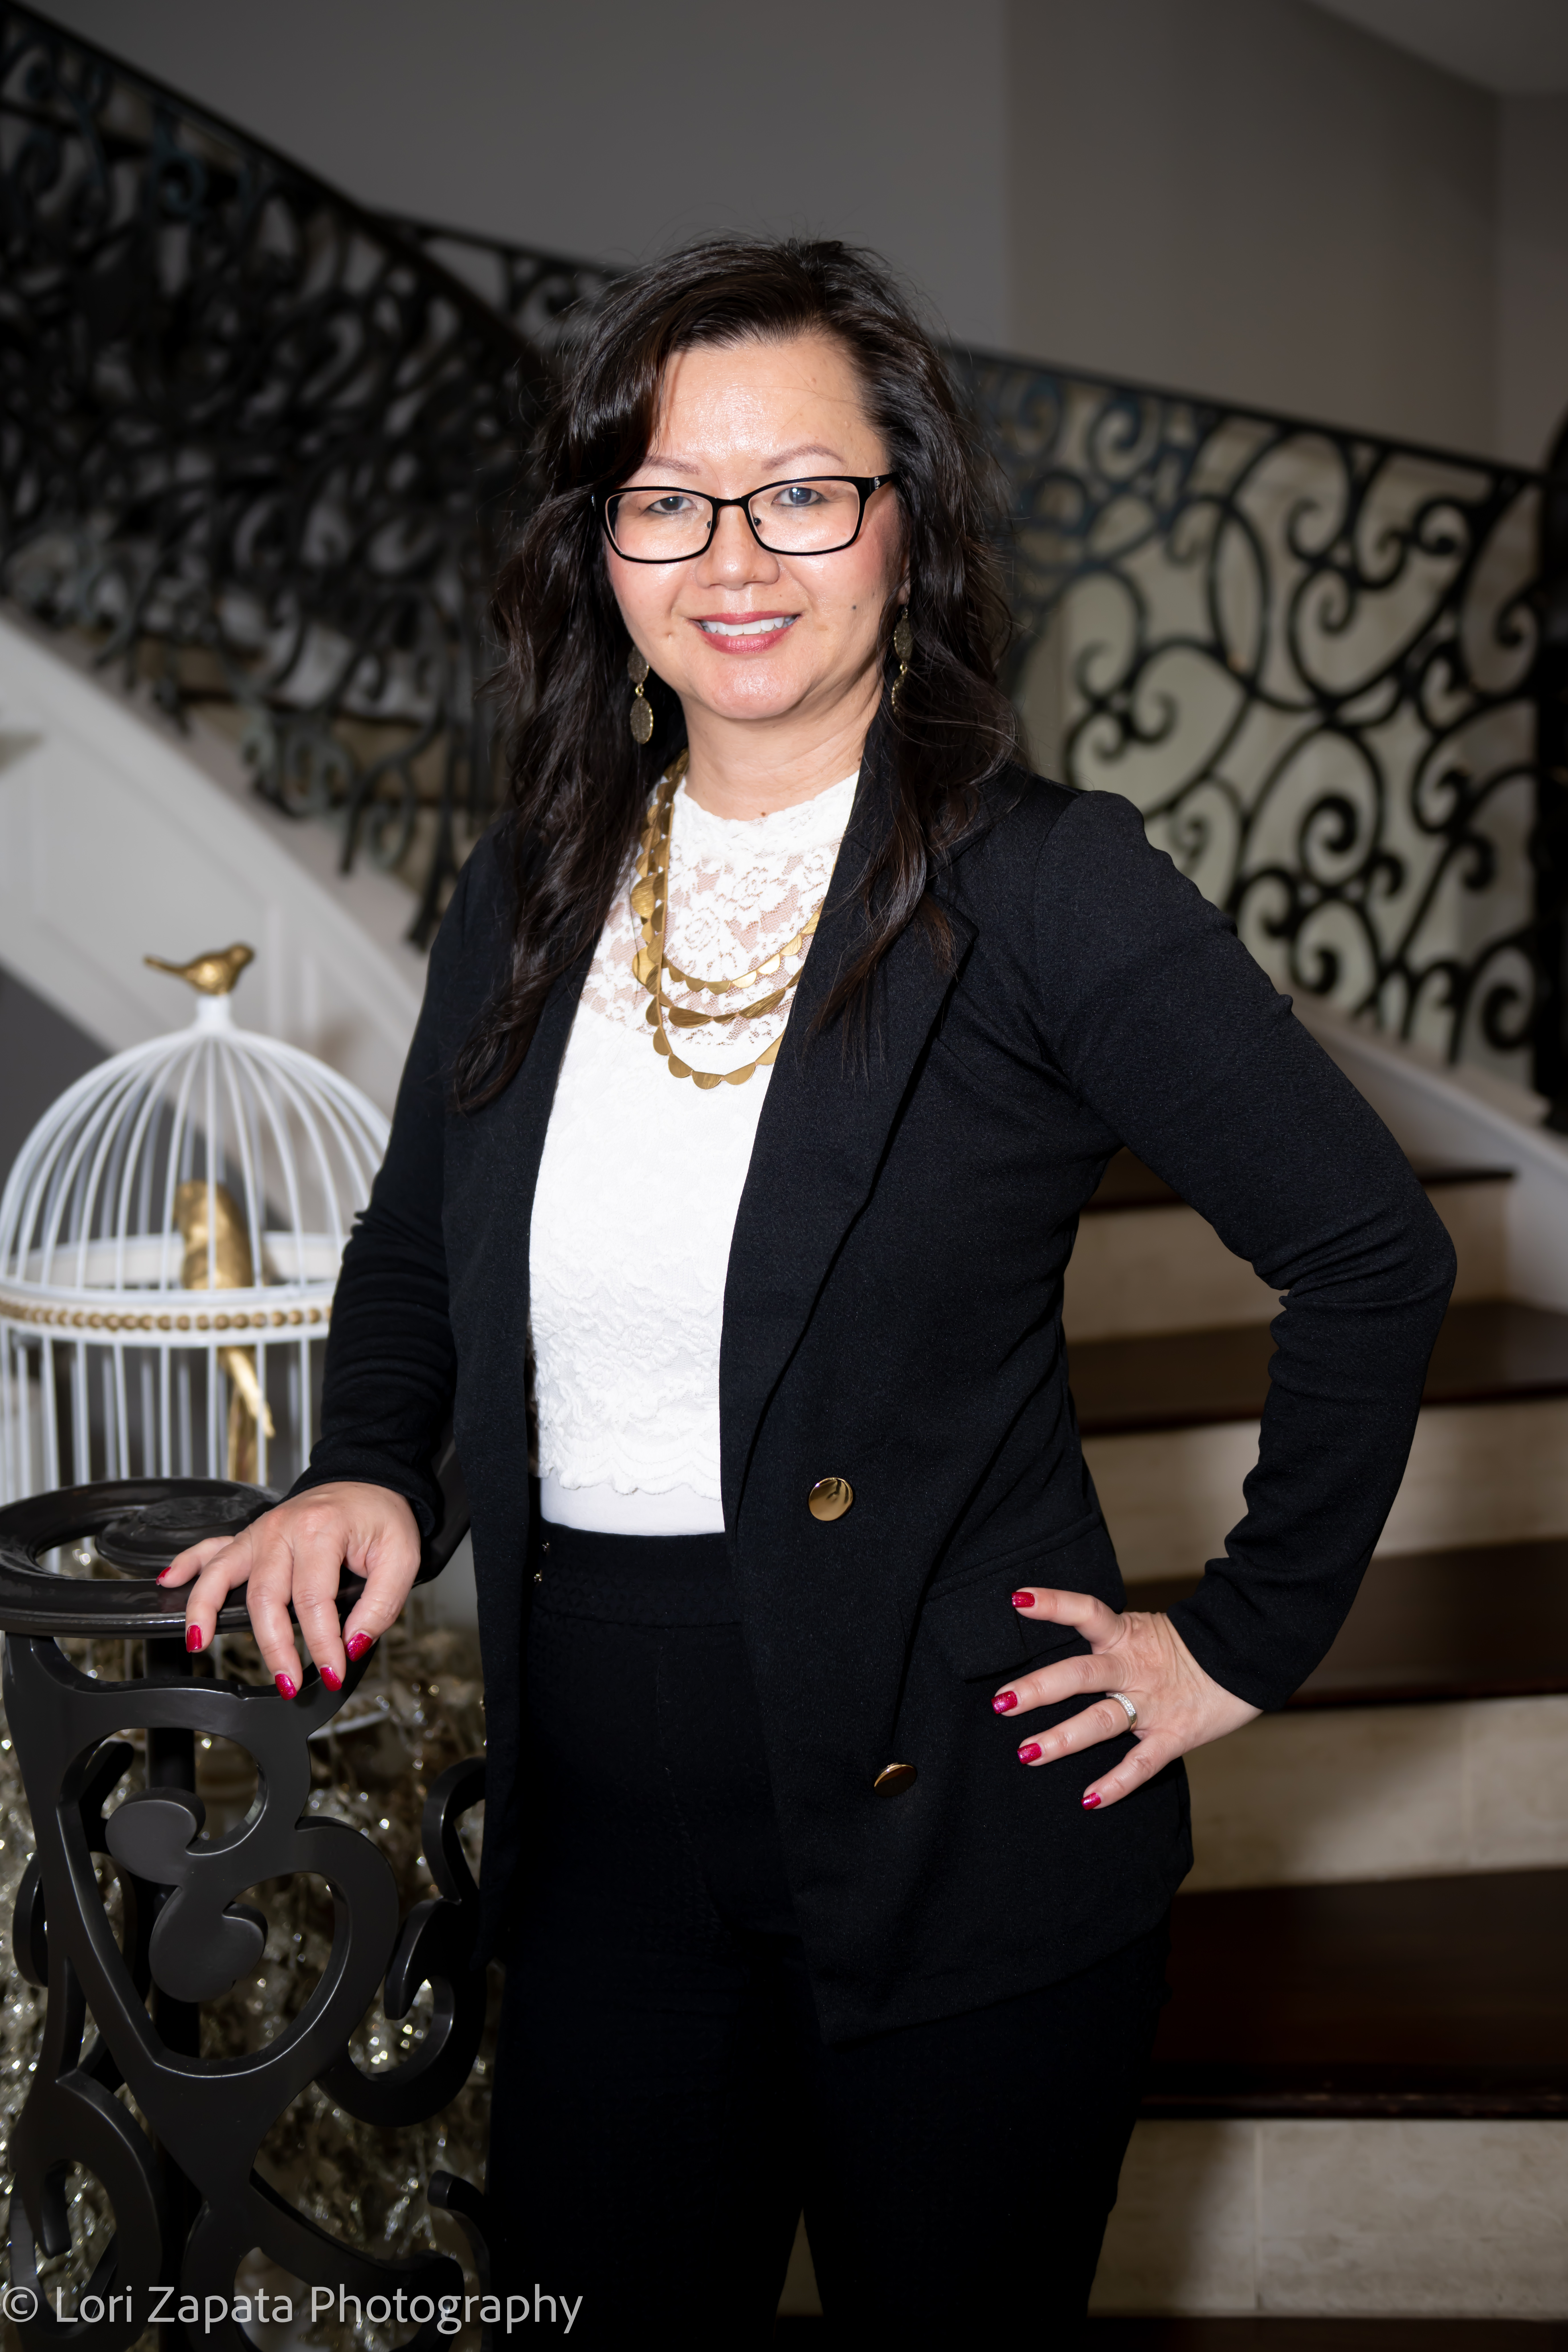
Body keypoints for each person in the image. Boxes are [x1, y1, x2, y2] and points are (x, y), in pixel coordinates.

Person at [162, 238, 1455, 2345]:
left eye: (802, 492)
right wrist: (372, 1467)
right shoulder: (533, 880)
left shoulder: (1044, 884)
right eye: (666, 500)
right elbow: (420, 1237)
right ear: (602, 547)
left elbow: (1371, 1256)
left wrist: (1246, 1638)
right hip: (599, 1828)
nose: (732, 556)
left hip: (959, 1828)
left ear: (906, 523)